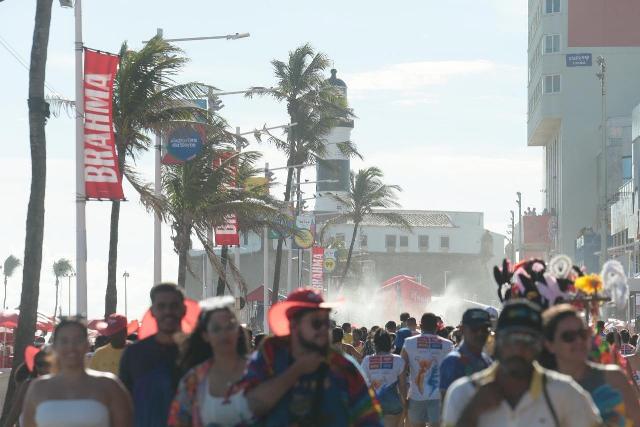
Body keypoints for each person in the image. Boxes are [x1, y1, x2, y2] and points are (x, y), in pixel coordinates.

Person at [441, 300, 602, 427]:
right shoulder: (463, 393)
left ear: (540, 346)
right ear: (497, 342)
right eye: (511, 340)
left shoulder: (565, 393)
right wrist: (472, 412)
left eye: (527, 341)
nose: (518, 349)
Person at [240, 288, 383, 426]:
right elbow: (247, 407)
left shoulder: (343, 366)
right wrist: (296, 371)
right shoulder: (269, 355)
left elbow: (370, 418)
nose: (324, 328)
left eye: (327, 322)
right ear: (293, 325)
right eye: (316, 323)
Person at [21, 317, 133, 427]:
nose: (71, 347)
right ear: (54, 347)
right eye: (64, 341)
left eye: (78, 340)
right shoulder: (38, 388)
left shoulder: (110, 386)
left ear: (87, 345)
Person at [542, 304, 640, 426]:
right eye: (569, 336)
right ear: (549, 344)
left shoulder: (614, 378)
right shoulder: (542, 387)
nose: (579, 341)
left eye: (583, 334)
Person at [168, 296, 253, 426]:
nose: (224, 334)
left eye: (230, 326)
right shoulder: (193, 380)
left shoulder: (258, 368)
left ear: (238, 331)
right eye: (216, 329)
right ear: (205, 335)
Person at [119, 283, 186, 427]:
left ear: (183, 309)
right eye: (161, 306)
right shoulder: (133, 354)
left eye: (174, 306)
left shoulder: (199, 351)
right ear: (152, 311)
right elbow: (123, 404)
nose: (168, 311)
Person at [401, 313, 453, 427]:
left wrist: (404, 397)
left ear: (420, 326)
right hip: (438, 396)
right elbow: (451, 373)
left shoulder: (409, 342)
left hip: (416, 396)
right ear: (437, 326)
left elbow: (401, 372)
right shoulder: (448, 345)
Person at [439, 309, 493, 398]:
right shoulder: (452, 361)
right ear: (462, 329)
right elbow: (445, 402)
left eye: (484, 329)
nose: (480, 333)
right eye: (474, 329)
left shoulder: (487, 361)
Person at [361, 329, 407, 427]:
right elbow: (402, 385)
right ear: (390, 343)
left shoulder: (367, 360)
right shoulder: (398, 360)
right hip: (392, 403)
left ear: (374, 343)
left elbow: (362, 385)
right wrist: (405, 403)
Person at [6, 347, 52, 427]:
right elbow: (16, 409)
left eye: (46, 363)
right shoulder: (28, 384)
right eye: (39, 364)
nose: (43, 367)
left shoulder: (60, 384)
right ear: (35, 366)